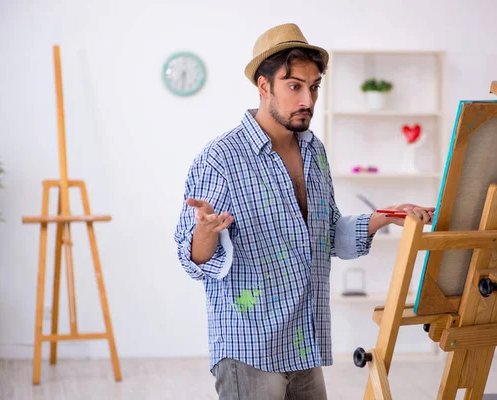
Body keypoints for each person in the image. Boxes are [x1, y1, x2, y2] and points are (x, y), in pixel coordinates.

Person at [174, 22, 435, 400]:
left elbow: (328, 235)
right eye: (294, 86)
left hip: (303, 342)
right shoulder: (221, 158)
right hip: (249, 346)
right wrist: (206, 232)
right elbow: (193, 260)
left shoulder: (314, 152)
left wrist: (386, 216)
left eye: (313, 87)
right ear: (264, 87)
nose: (307, 100)